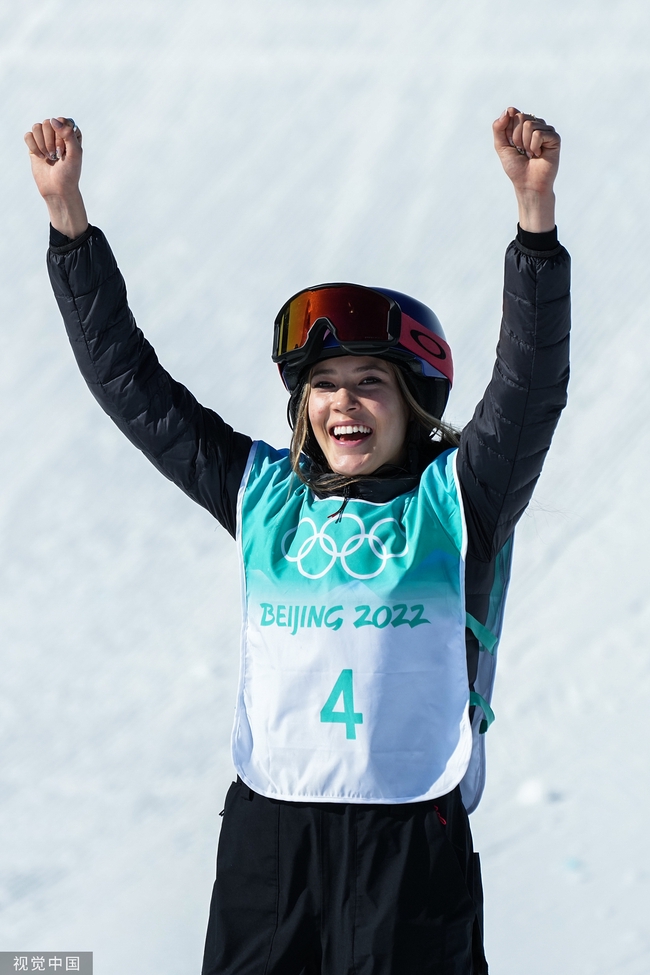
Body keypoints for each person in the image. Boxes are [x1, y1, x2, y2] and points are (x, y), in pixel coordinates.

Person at [25, 107, 570, 975]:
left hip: (408, 842)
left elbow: (529, 387)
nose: (342, 402)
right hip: (271, 847)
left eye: (369, 381)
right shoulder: (262, 493)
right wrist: (68, 224)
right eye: (323, 384)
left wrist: (534, 225)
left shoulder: (459, 500)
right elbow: (132, 386)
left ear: (413, 407)